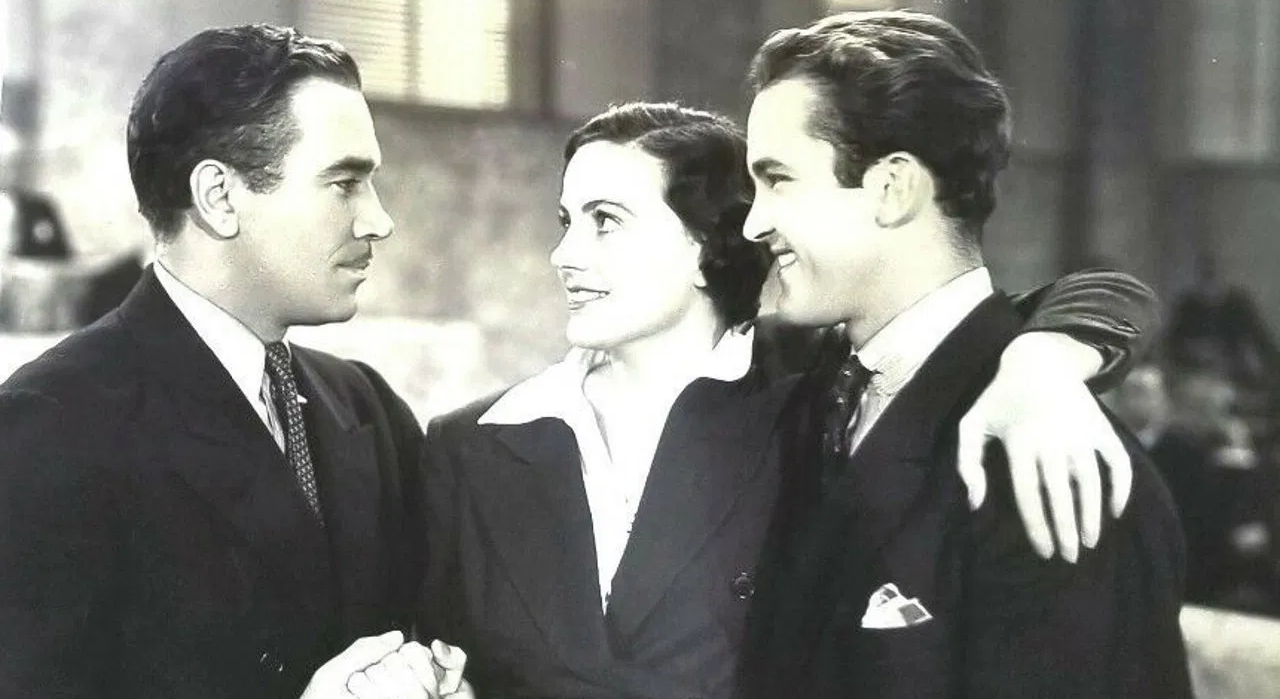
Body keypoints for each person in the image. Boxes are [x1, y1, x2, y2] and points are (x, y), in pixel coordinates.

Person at [417, 101, 1160, 698]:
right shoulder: (470, 443)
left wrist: (1043, 361)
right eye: (566, 221)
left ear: (707, 245)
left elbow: (1050, 303)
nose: (564, 255)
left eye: (605, 221)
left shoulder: (816, 394)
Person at [0, 24, 466, 699]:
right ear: (219, 197)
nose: (379, 220)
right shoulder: (50, 426)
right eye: (344, 183)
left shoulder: (367, 408)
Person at [739, 11, 1190, 697]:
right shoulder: (810, 395)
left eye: (778, 180)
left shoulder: (1051, 466)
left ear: (892, 189)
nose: (754, 222)